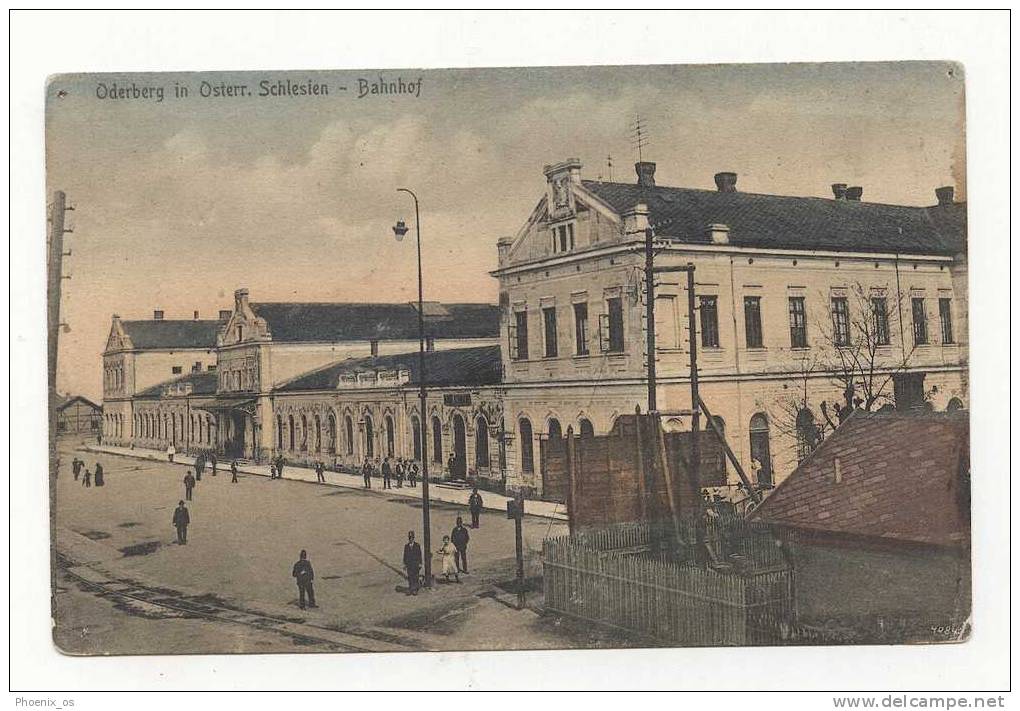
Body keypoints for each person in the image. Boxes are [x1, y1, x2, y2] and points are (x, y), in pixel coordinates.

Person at [402, 531, 423, 595]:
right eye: (409, 538)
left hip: (416, 564)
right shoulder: (406, 546)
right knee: (410, 577)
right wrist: (405, 564)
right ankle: (411, 588)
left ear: (414, 538)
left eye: (412, 538)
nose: (411, 539)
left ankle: (415, 589)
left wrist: (420, 563)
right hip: (409, 564)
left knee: (415, 577)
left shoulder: (417, 545)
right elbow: (405, 555)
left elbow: (419, 555)